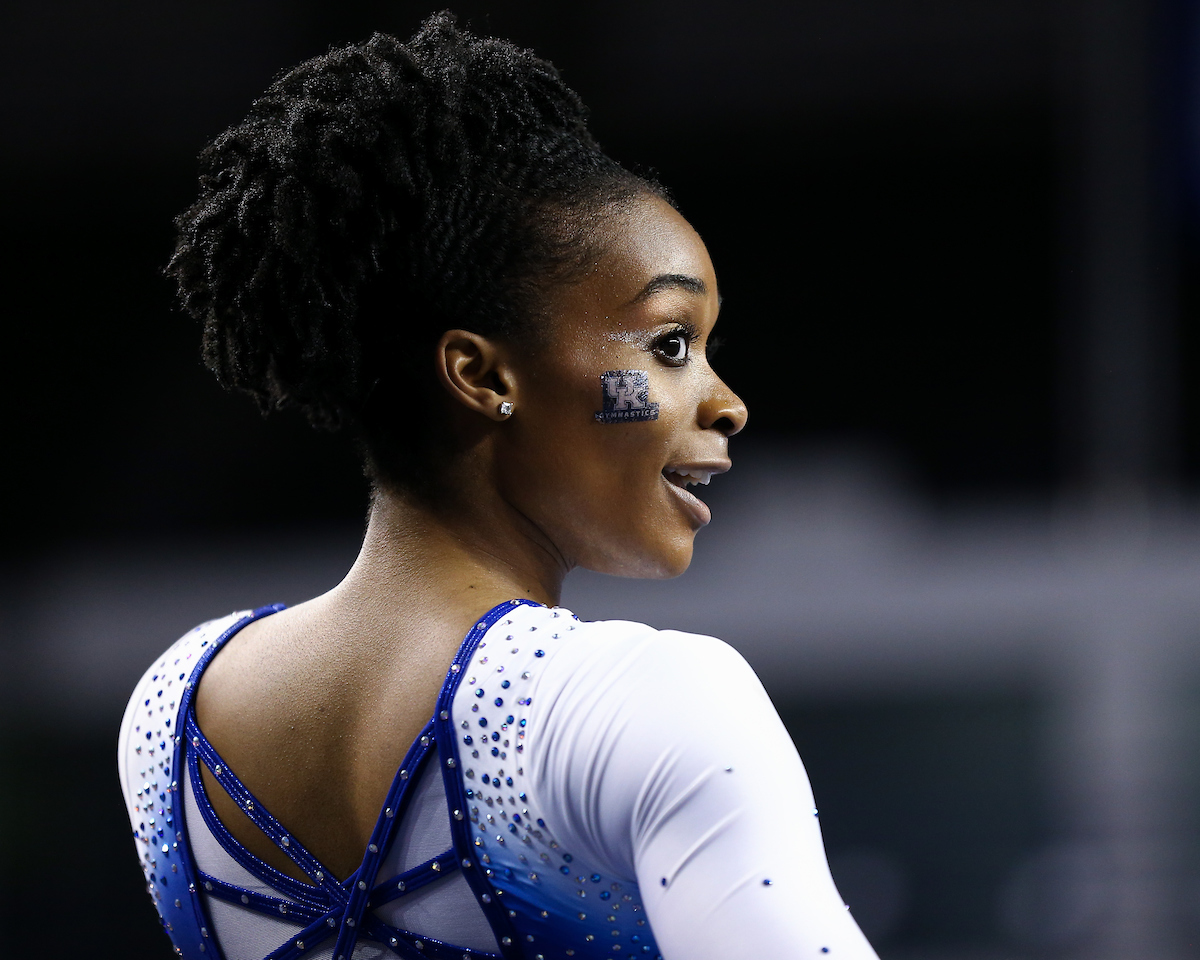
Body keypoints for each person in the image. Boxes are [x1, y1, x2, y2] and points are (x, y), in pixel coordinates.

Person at [117, 13, 879, 960]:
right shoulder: (648, 703)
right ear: (483, 377)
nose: (726, 405)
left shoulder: (173, 709)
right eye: (670, 344)